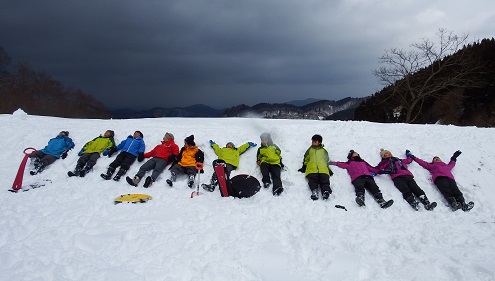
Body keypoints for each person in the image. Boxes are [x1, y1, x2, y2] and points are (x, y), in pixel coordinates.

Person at [408, 150, 474, 211]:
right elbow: (422, 162)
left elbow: (452, 163)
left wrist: (454, 157)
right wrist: (413, 157)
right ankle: (453, 204)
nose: (437, 159)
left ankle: (464, 204)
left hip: (450, 178)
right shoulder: (431, 165)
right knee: (446, 190)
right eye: (435, 159)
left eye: (438, 158)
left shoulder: (446, 166)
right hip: (439, 178)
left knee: (456, 190)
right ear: (433, 161)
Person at [298, 134, 333, 201]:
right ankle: (314, 191)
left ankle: (325, 192)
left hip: (323, 170)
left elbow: (326, 160)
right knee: (312, 181)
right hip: (312, 169)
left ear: (319, 142)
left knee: (325, 181)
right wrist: (304, 167)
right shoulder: (309, 150)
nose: (313, 142)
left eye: (315, 141)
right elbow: (306, 159)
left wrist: (328, 169)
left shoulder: (323, 151)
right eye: (312, 141)